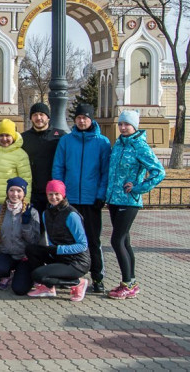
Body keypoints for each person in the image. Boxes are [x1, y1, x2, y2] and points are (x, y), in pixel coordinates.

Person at [106, 110, 165, 300]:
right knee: (125, 241)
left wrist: (138, 188)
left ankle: (127, 284)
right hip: (114, 201)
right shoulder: (118, 144)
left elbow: (158, 172)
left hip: (129, 201)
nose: (123, 127)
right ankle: (131, 281)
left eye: (127, 124)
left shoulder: (140, 146)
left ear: (135, 126)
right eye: (121, 124)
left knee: (116, 240)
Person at [52, 103, 111, 293]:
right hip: (69, 201)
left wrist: (100, 195)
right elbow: (58, 167)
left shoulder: (102, 142)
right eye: (78, 118)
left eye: (85, 118)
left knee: (92, 240)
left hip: (91, 200)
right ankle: (69, 276)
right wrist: (59, 194)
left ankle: (97, 277)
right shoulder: (66, 141)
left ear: (91, 119)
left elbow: (105, 172)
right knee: (68, 239)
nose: (82, 121)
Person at [26, 180, 91, 302]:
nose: (53, 197)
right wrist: (53, 252)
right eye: (50, 194)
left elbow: (83, 245)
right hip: (59, 256)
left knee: (38, 275)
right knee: (32, 249)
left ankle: (78, 282)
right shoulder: (46, 213)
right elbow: (51, 239)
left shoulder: (71, 215)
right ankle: (48, 288)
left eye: (57, 194)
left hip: (77, 262)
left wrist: (59, 249)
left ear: (63, 195)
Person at [0, 177, 40, 295]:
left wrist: (26, 225)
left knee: (19, 290)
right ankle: (6, 276)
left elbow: (34, 241)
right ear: (7, 192)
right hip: (6, 254)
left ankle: (24, 275)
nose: (15, 194)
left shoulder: (32, 212)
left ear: (24, 193)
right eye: (11, 190)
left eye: (19, 191)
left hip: (24, 257)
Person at [21, 103, 63, 233]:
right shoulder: (24, 138)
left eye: (42, 114)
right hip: (33, 193)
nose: (38, 118)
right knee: (34, 230)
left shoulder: (60, 136)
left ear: (48, 117)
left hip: (54, 193)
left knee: (55, 230)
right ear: (31, 118)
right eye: (35, 115)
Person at [0, 119, 32, 229]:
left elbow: (26, 180)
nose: (4, 139)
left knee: (7, 232)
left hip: (11, 202)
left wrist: (26, 202)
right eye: (1, 135)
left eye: (7, 135)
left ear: (13, 136)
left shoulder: (20, 155)